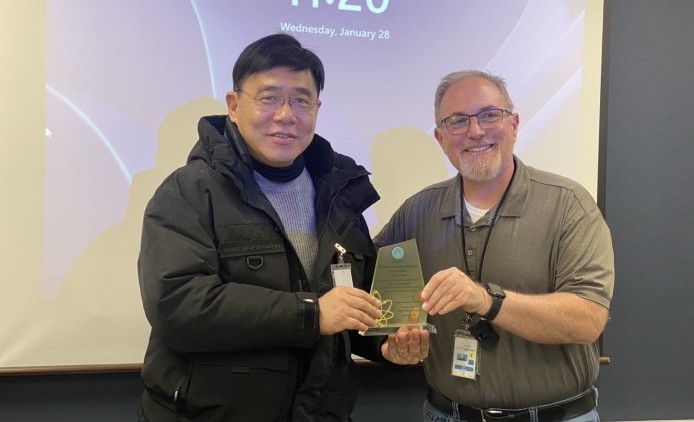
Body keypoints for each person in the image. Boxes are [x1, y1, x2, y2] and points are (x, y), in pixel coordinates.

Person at [137, 33, 427, 422]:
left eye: (301, 100)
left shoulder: (339, 192)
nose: (286, 115)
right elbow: (177, 305)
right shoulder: (189, 191)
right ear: (234, 105)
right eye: (269, 98)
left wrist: (386, 344)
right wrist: (311, 314)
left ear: (317, 109)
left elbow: (354, 302)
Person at [374, 70, 614, 422]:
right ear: (441, 138)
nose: (475, 131)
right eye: (458, 121)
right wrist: (390, 342)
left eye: (489, 115)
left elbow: (588, 321)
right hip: (447, 414)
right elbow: (371, 284)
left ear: (514, 124)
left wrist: (487, 300)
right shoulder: (417, 211)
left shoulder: (568, 205)